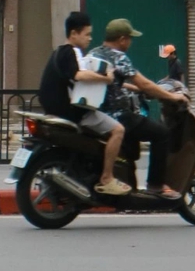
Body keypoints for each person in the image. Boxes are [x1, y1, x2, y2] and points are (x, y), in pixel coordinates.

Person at [92, 18, 190, 199]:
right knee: (161, 134)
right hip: (118, 115)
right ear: (122, 39)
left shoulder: (95, 53)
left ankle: (128, 183)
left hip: (99, 114)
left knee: (132, 145)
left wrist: (134, 89)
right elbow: (143, 82)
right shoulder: (118, 57)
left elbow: (112, 83)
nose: (130, 43)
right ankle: (156, 185)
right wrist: (172, 96)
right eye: (129, 39)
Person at [38, 11, 132, 195]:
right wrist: (105, 78)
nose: (90, 38)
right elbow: (78, 75)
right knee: (118, 130)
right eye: (87, 34)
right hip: (73, 112)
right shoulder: (71, 51)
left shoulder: (58, 52)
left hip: (55, 110)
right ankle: (107, 178)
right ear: (74, 34)